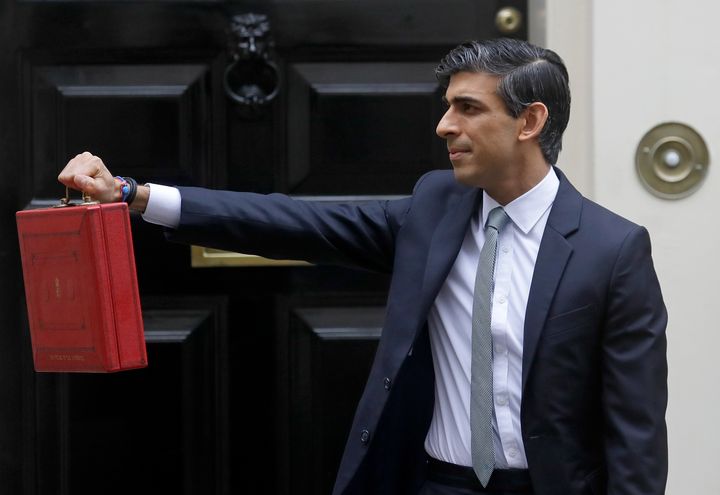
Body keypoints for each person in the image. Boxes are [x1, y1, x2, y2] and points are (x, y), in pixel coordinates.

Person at [58, 38, 668, 495]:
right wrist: (134, 195)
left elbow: (635, 434)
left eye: (467, 108)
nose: (444, 125)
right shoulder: (434, 208)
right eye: (447, 106)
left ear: (530, 121)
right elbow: (295, 222)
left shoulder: (612, 251)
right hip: (435, 483)